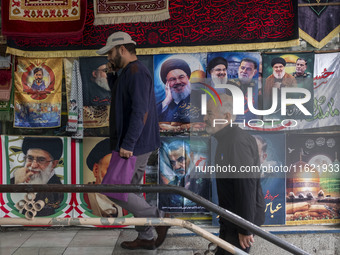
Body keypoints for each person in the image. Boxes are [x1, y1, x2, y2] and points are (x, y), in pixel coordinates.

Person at [97, 31, 168, 250]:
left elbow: (140, 111)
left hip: (134, 145)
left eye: (111, 52)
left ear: (122, 49)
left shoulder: (137, 72)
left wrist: (128, 144)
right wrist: (110, 75)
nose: (109, 57)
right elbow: (124, 98)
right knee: (134, 190)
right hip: (134, 143)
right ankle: (146, 237)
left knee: (116, 189)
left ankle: (160, 218)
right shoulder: (129, 71)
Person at [204, 94, 265, 254]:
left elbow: (246, 186)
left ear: (227, 117)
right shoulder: (226, 139)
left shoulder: (236, 142)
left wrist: (245, 228)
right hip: (231, 219)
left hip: (239, 222)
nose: (205, 118)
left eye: (210, 113)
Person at [11, 137, 64, 216]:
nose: (33, 165)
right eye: (30, 158)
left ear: (53, 164)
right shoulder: (14, 181)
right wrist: (17, 183)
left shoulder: (59, 191)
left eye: (41, 160)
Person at [159, 140, 209, 210]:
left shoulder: (205, 181)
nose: (176, 167)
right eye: (173, 162)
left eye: (181, 160)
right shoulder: (172, 183)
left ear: (191, 156)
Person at [84, 138, 121, 218]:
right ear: (96, 170)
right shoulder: (83, 198)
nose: (116, 175)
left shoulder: (130, 197)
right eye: (110, 169)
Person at [158, 58, 192, 122]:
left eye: (181, 77)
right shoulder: (163, 105)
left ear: (187, 78)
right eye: (172, 79)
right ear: (167, 83)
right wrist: (167, 100)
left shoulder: (201, 99)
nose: (178, 82)